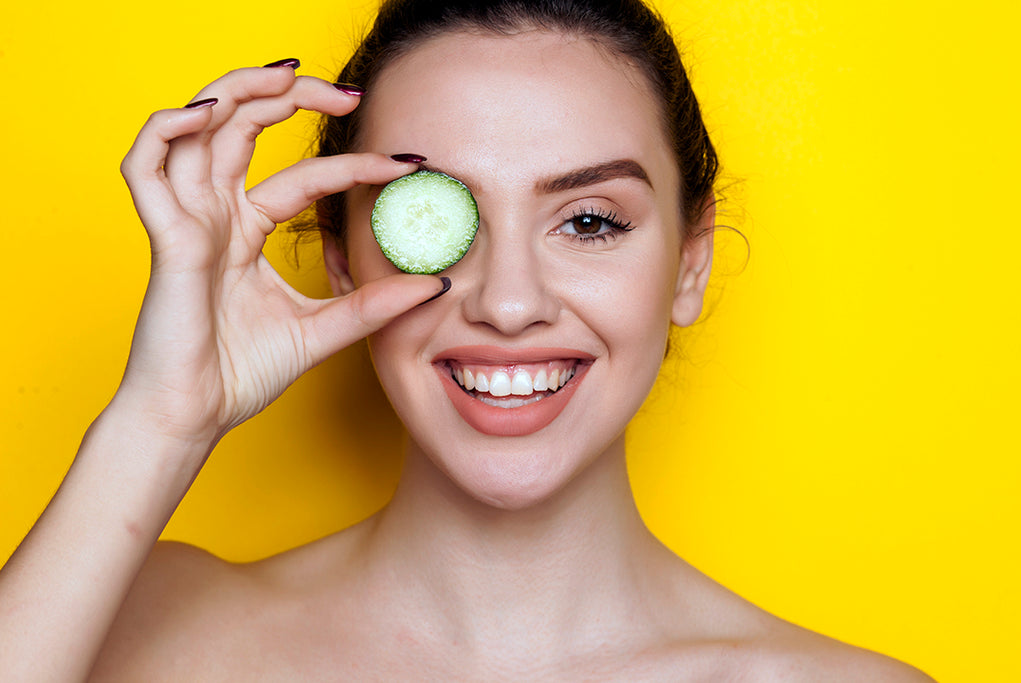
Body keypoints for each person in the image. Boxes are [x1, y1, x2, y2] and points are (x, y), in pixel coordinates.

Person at [0, 0, 934, 680]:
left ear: (690, 263)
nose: (510, 302)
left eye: (591, 221)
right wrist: (160, 419)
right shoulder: (139, 629)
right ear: (340, 259)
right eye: (438, 218)